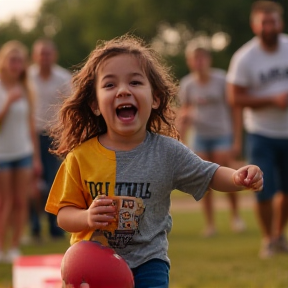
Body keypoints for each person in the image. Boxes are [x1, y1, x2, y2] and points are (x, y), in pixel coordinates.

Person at [45, 34, 263, 287]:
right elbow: (64, 215)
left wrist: (238, 177)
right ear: (94, 104)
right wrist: (87, 218)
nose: (123, 90)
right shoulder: (80, 157)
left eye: (135, 82)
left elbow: (209, 174)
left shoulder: (168, 151)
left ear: (156, 98)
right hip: (94, 264)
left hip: (149, 263)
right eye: (109, 85)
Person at [226, 1, 288, 259]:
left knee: (286, 190)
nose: (269, 27)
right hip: (261, 132)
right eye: (264, 22)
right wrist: (272, 100)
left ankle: (278, 235)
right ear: (255, 25)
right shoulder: (244, 57)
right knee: (263, 188)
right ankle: (267, 239)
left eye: (273, 21)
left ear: (280, 22)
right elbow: (234, 98)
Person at [177, 45, 246, 237]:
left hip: (222, 133)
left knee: (230, 175)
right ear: (189, 62)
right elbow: (185, 111)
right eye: (194, 59)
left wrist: (237, 140)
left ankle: (236, 217)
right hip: (200, 136)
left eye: (202, 58)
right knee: (204, 178)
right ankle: (210, 224)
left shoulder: (222, 80)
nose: (199, 63)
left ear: (209, 60)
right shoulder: (188, 84)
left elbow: (234, 109)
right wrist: (182, 139)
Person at [0, 40, 41, 262]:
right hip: (2, 155)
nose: (16, 64)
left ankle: (14, 246)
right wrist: (7, 102)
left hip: (23, 153)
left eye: (20, 60)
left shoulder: (26, 87)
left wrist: (36, 158)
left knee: (20, 201)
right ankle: (0, 247)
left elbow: (30, 126)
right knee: (4, 202)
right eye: (12, 59)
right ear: (3, 62)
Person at [28, 38, 72, 240]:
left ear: (54, 55)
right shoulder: (28, 77)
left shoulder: (63, 77)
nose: (44, 57)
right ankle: (35, 226)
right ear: (35, 56)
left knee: (55, 180)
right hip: (31, 134)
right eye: (41, 53)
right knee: (33, 182)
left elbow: (70, 108)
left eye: (47, 53)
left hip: (55, 134)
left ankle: (54, 225)